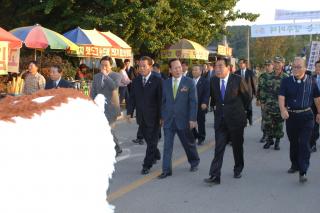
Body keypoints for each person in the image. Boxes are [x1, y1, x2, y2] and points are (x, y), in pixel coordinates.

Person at [204, 57, 250, 185]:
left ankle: (238, 168)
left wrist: (242, 112)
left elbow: (247, 97)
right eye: (216, 67)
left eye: (220, 66)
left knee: (237, 146)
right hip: (220, 120)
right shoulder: (213, 81)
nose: (217, 69)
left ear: (228, 67)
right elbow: (214, 99)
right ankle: (215, 175)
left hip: (236, 120)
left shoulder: (237, 80)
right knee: (218, 148)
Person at [279, 57, 320, 183]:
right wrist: (283, 110)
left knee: (304, 143)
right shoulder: (286, 81)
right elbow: (281, 97)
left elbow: (317, 98)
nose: (295, 69)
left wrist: (319, 112)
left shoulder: (312, 81)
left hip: (307, 116)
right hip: (291, 116)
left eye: (299, 66)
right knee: (293, 143)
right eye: (294, 66)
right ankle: (295, 165)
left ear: (305, 68)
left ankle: (303, 170)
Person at [158, 58, 200, 179]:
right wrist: (162, 116)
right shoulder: (165, 83)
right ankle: (166, 170)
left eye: (179, 67)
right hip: (169, 120)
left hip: (184, 120)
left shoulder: (189, 82)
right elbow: (163, 102)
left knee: (188, 144)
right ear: (170, 70)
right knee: (167, 146)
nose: (178, 70)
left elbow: (193, 102)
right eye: (175, 68)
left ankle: (194, 161)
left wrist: (192, 119)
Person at [127, 56, 162, 175]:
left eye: (144, 66)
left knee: (152, 142)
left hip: (155, 117)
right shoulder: (136, 81)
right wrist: (129, 112)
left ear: (150, 67)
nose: (141, 69)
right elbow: (132, 98)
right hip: (141, 117)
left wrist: (162, 116)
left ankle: (147, 164)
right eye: (139, 66)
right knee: (149, 140)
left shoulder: (158, 80)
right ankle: (156, 154)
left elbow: (161, 100)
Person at [90, 56, 123, 156]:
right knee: (102, 128)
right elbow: (93, 91)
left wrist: (105, 75)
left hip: (112, 107)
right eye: (102, 65)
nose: (104, 67)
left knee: (108, 128)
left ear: (111, 65)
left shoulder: (117, 75)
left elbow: (114, 86)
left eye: (106, 65)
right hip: (99, 107)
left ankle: (116, 148)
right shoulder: (96, 76)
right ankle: (112, 147)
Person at [261, 56, 288, 150]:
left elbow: (289, 93)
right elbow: (263, 90)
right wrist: (263, 102)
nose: (277, 64)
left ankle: (277, 142)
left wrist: (286, 107)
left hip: (280, 106)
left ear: (283, 64)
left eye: (279, 62)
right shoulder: (268, 76)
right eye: (275, 62)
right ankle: (269, 140)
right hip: (269, 105)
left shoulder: (286, 77)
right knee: (268, 123)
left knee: (278, 125)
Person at [191, 65, 210, 145]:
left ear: (201, 71)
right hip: (190, 106)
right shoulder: (189, 81)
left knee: (200, 122)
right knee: (190, 121)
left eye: (196, 70)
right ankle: (194, 135)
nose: (194, 71)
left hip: (200, 105)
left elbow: (207, 93)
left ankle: (201, 137)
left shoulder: (205, 81)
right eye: (193, 70)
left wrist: (205, 102)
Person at [256, 60, 274, 143]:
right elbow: (259, 88)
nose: (267, 67)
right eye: (266, 65)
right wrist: (258, 99)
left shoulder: (276, 75)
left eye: (269, 65)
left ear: (272, 65)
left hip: (275, 103)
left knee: (274, 119)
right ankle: (265, 134)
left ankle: (272, 135)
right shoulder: (262, 76)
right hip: (264, 102)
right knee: (265, 118)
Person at [235, 59, 256, 125]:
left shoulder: (250, 72)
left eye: (241, 63)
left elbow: (253, 84)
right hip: (239, 94)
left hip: (248, 93)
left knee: (249, 108)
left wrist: (256, 94)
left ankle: (250, 118)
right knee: (241, 108)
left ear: (245, 64)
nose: (240, 65)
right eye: (239, 63)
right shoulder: (236, 73)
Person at [310, 60, 320, 152]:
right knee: (314, 125)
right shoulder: (311, 78)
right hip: (314, 105)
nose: (318, 69)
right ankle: (313, 143)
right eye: (316, 66)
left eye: (319, 67)